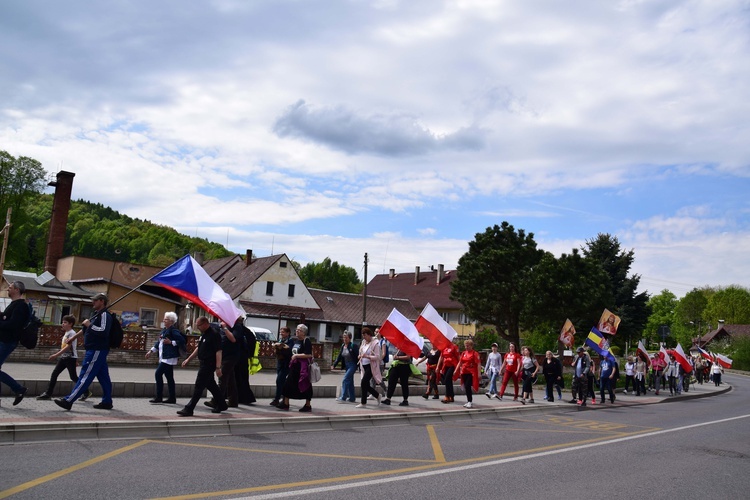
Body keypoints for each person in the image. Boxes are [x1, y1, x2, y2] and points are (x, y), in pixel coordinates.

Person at [54, 293, 114, 411]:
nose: (93, 303)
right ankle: (107, 401)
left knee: (85, 376)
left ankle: (69, 400)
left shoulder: (105, 315)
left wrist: (89, 325)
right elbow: (85, 329)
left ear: (101, 301)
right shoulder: (97, 314)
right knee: (104, 378)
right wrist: (73, 338)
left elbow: (103, 331)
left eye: (95, 301)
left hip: (97, 349)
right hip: (96, 350)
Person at [177, 316, 227, 416]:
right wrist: (188, 359)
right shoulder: (204, 334)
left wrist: (218, 367)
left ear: (205, 324)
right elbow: (198, 348)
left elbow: (218, 351)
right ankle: (222, 404)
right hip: (203, 363)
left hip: (209, 364)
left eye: (199, 325)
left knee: (199, 386)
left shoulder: (214, 335)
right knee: (211, 385)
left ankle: (189, 408)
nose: (198, 327)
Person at [37, 315, 83, 400]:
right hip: (64, 358)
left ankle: (85, 391)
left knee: (73, 377)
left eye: (65, 322)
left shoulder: (72, 333)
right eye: (63, 322)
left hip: (70, 358)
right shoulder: (67, 333)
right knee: (55, 374)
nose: (63, 324)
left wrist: (55, 355)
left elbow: (68, 347)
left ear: (71, 324)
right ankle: (48, 393)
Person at [0, 281, 31, 406]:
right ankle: (18, 389)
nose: (8, 289)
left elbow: (14, 324)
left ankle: (19, 389)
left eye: (10, 287)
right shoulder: (14, 304)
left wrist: (1, 321)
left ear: (17, 290)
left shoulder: (21, 306)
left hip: (7, 342)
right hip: (4, 341)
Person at [144, 311, 184, 404]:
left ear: (171, 321)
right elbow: (159, 343)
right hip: (164, 357)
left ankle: (159, 397)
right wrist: (151, 351)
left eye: (165, 319)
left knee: (158, 374)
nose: (163, 320)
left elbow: (182, 340)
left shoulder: (173, 331)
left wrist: (171, 342)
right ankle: (172, 398)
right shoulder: (164, 330)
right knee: (169, 377)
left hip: (169, 357)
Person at [277, 324, 313, 412]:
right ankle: (285, 403)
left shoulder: (306, 341)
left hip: (302, 369)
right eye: (296, 330)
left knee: (305, 385)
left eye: (299, 330)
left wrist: (297, 355)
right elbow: (293, 352)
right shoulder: (296, 341)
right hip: (294, 367)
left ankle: (308, 405)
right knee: (287, 384)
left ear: (304, 332)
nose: (297, 331)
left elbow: (309, 354)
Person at [204, 320, 239, 409]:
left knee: (222, 378)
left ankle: (216, 401)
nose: (220, 320)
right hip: (224, 356)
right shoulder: (220, 327)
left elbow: (233, 339)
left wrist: (225, 328)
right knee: (231, 380)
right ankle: (233, 401)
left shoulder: (236, 326)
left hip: (230, 357)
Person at [356, 327, 382, 408]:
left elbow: (377, 357)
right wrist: (359, 356)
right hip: (363, 366)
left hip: (371, 366)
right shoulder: (364, 342)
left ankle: (363, 403)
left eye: (365, 335)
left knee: (363, 382)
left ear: (369, 335)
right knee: (365, 384)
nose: (364, 337)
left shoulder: (375, 343)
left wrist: (367, 356)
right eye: (363, 336)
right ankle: (377, 395)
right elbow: (361, 352)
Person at [332, 332, 359, 403]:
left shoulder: (353, 346)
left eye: (346, 337)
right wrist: (334, 365)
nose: (345, 339)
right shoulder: (343, 346)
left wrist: (359, 367)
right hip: (347, 365)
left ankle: (343, 397)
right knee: (350, 381)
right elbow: (339, 356)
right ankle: (352, 398)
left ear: (350, 338)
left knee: (345, 379)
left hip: (353, 365)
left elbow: (358, 356)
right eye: (344, 337)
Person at [270, 326, 294, 407]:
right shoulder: (281, 340)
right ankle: (284, 398)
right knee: (281, 382)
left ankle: (277, 399)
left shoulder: (290, 341)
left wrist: (281, 346)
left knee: (279, 381)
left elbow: (289, 350)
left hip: (286, 364)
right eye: (281, 332)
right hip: (280, 363)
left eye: (283, 332)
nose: (281, 333)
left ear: (288, 333)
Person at [455, 339, 480, 408]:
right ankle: (468, 401)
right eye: (465, 346)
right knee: (466, 386)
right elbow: (460, 362)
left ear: (471, 346)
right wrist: (456, 370)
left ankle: (470, 401)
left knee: (468, 386)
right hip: (464, 371)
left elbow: (478, 363)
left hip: (471, 372)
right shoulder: (463, 353)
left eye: (468, 346)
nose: (466, 347)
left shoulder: (475, 353)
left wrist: (479, 374)